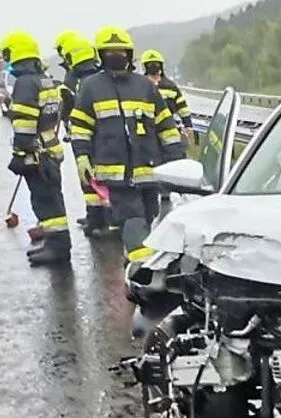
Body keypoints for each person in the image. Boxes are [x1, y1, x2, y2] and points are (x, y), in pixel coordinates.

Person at [69, 26, 183, 270]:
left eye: (121, 51)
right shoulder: (90, 87)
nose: (116, 55)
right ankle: (142, 270)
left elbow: (165, 124)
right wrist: (82, 158)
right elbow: (80, 127)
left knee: (149, 216)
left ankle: (135, 254)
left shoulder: (145, 86)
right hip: (115, 172)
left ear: (130, 54)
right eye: (110, 52)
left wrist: (177, 158)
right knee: (132, 219)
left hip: (149, 170)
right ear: (101, 55)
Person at [0, 31, 70, 265]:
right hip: (49, 149)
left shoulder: (26, 83)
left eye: (6, 54)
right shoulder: (44, 78)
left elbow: (26, 123)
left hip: (36, 154)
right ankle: (56, 243)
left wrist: (19, 153)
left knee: (45, 200)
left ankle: (58, 250)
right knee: (52, 199)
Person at [59, 36, 107, 235]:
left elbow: (68, 108)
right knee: (104, 175)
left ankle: (97, 220)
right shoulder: (102, 74)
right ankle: (101, 217)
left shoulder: (72, 79)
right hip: (105, 134)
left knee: (88, 176)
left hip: (85, 135)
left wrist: (67, 124)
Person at [140, 49, 193, 209]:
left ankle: (169, 192)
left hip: (168, 129)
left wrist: (188, 126)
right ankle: (152, 192)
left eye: (155, 64)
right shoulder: (140, 85)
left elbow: (182, 107)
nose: (153, 67)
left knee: (171, 159)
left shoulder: (170, 86)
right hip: (147, 131)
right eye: (150, 65)